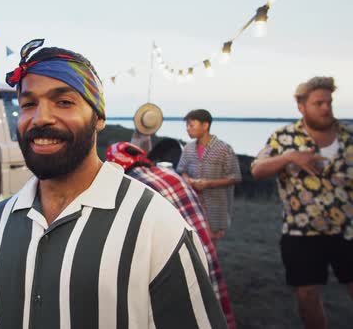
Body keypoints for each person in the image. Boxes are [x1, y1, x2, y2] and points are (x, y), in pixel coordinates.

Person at [0, 39, 227, 329]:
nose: (40, 118)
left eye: (64, 102)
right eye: (29, 104)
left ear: (99, 116)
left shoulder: (155, 225)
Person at [251, 76, 353, 329]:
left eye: (329, 102)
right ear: (301, 106)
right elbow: (257, 170)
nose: (326, 108)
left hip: (349, 230)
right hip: (302, 232)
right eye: (318, 103)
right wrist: (289, 158)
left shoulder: (349, 137)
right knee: (307, 296)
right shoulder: (284, 137)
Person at [106, 141, 236, 329]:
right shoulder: (171, 175)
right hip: (204, 256)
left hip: (169, 268)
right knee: (208, 310)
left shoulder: (131, 188)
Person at [176, 109, 241, 243]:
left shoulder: (223, 149)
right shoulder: (188, 148)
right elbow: (182, 170)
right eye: (187, 125)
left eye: (191, 125)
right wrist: (188, 180)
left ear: (205, 126)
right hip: (192, 204)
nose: (188, 129)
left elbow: (235, 177)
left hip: (215, 206)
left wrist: (208, 184)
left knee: (211, 245)